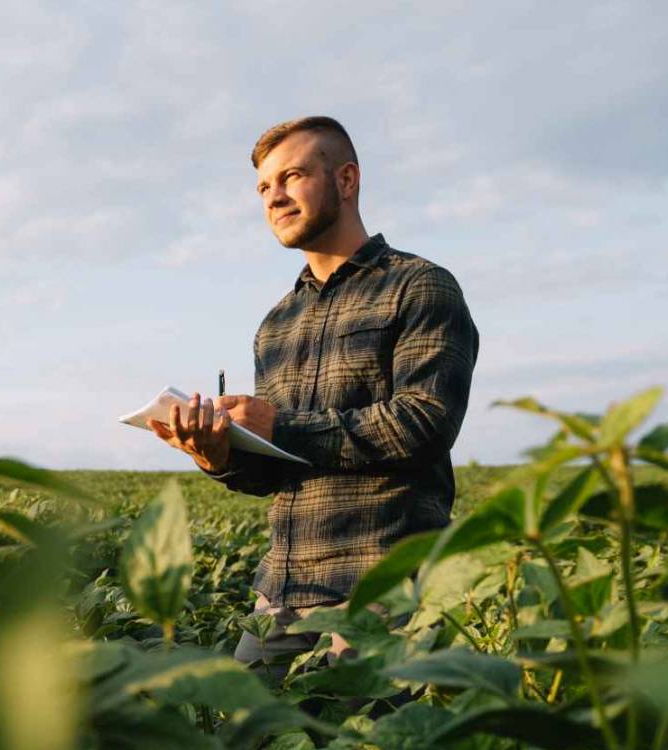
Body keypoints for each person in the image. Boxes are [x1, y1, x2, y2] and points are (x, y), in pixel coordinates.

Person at [148, 116, 479, 679]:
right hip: (280, 594)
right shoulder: (276, 323)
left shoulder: (419, 286)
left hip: (383, 591)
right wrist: (219, 455)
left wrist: (280, 424)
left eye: (292, 176)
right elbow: (279, 472)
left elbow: (424, 423)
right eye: (263, 187)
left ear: (346, 180)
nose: (273, 197)